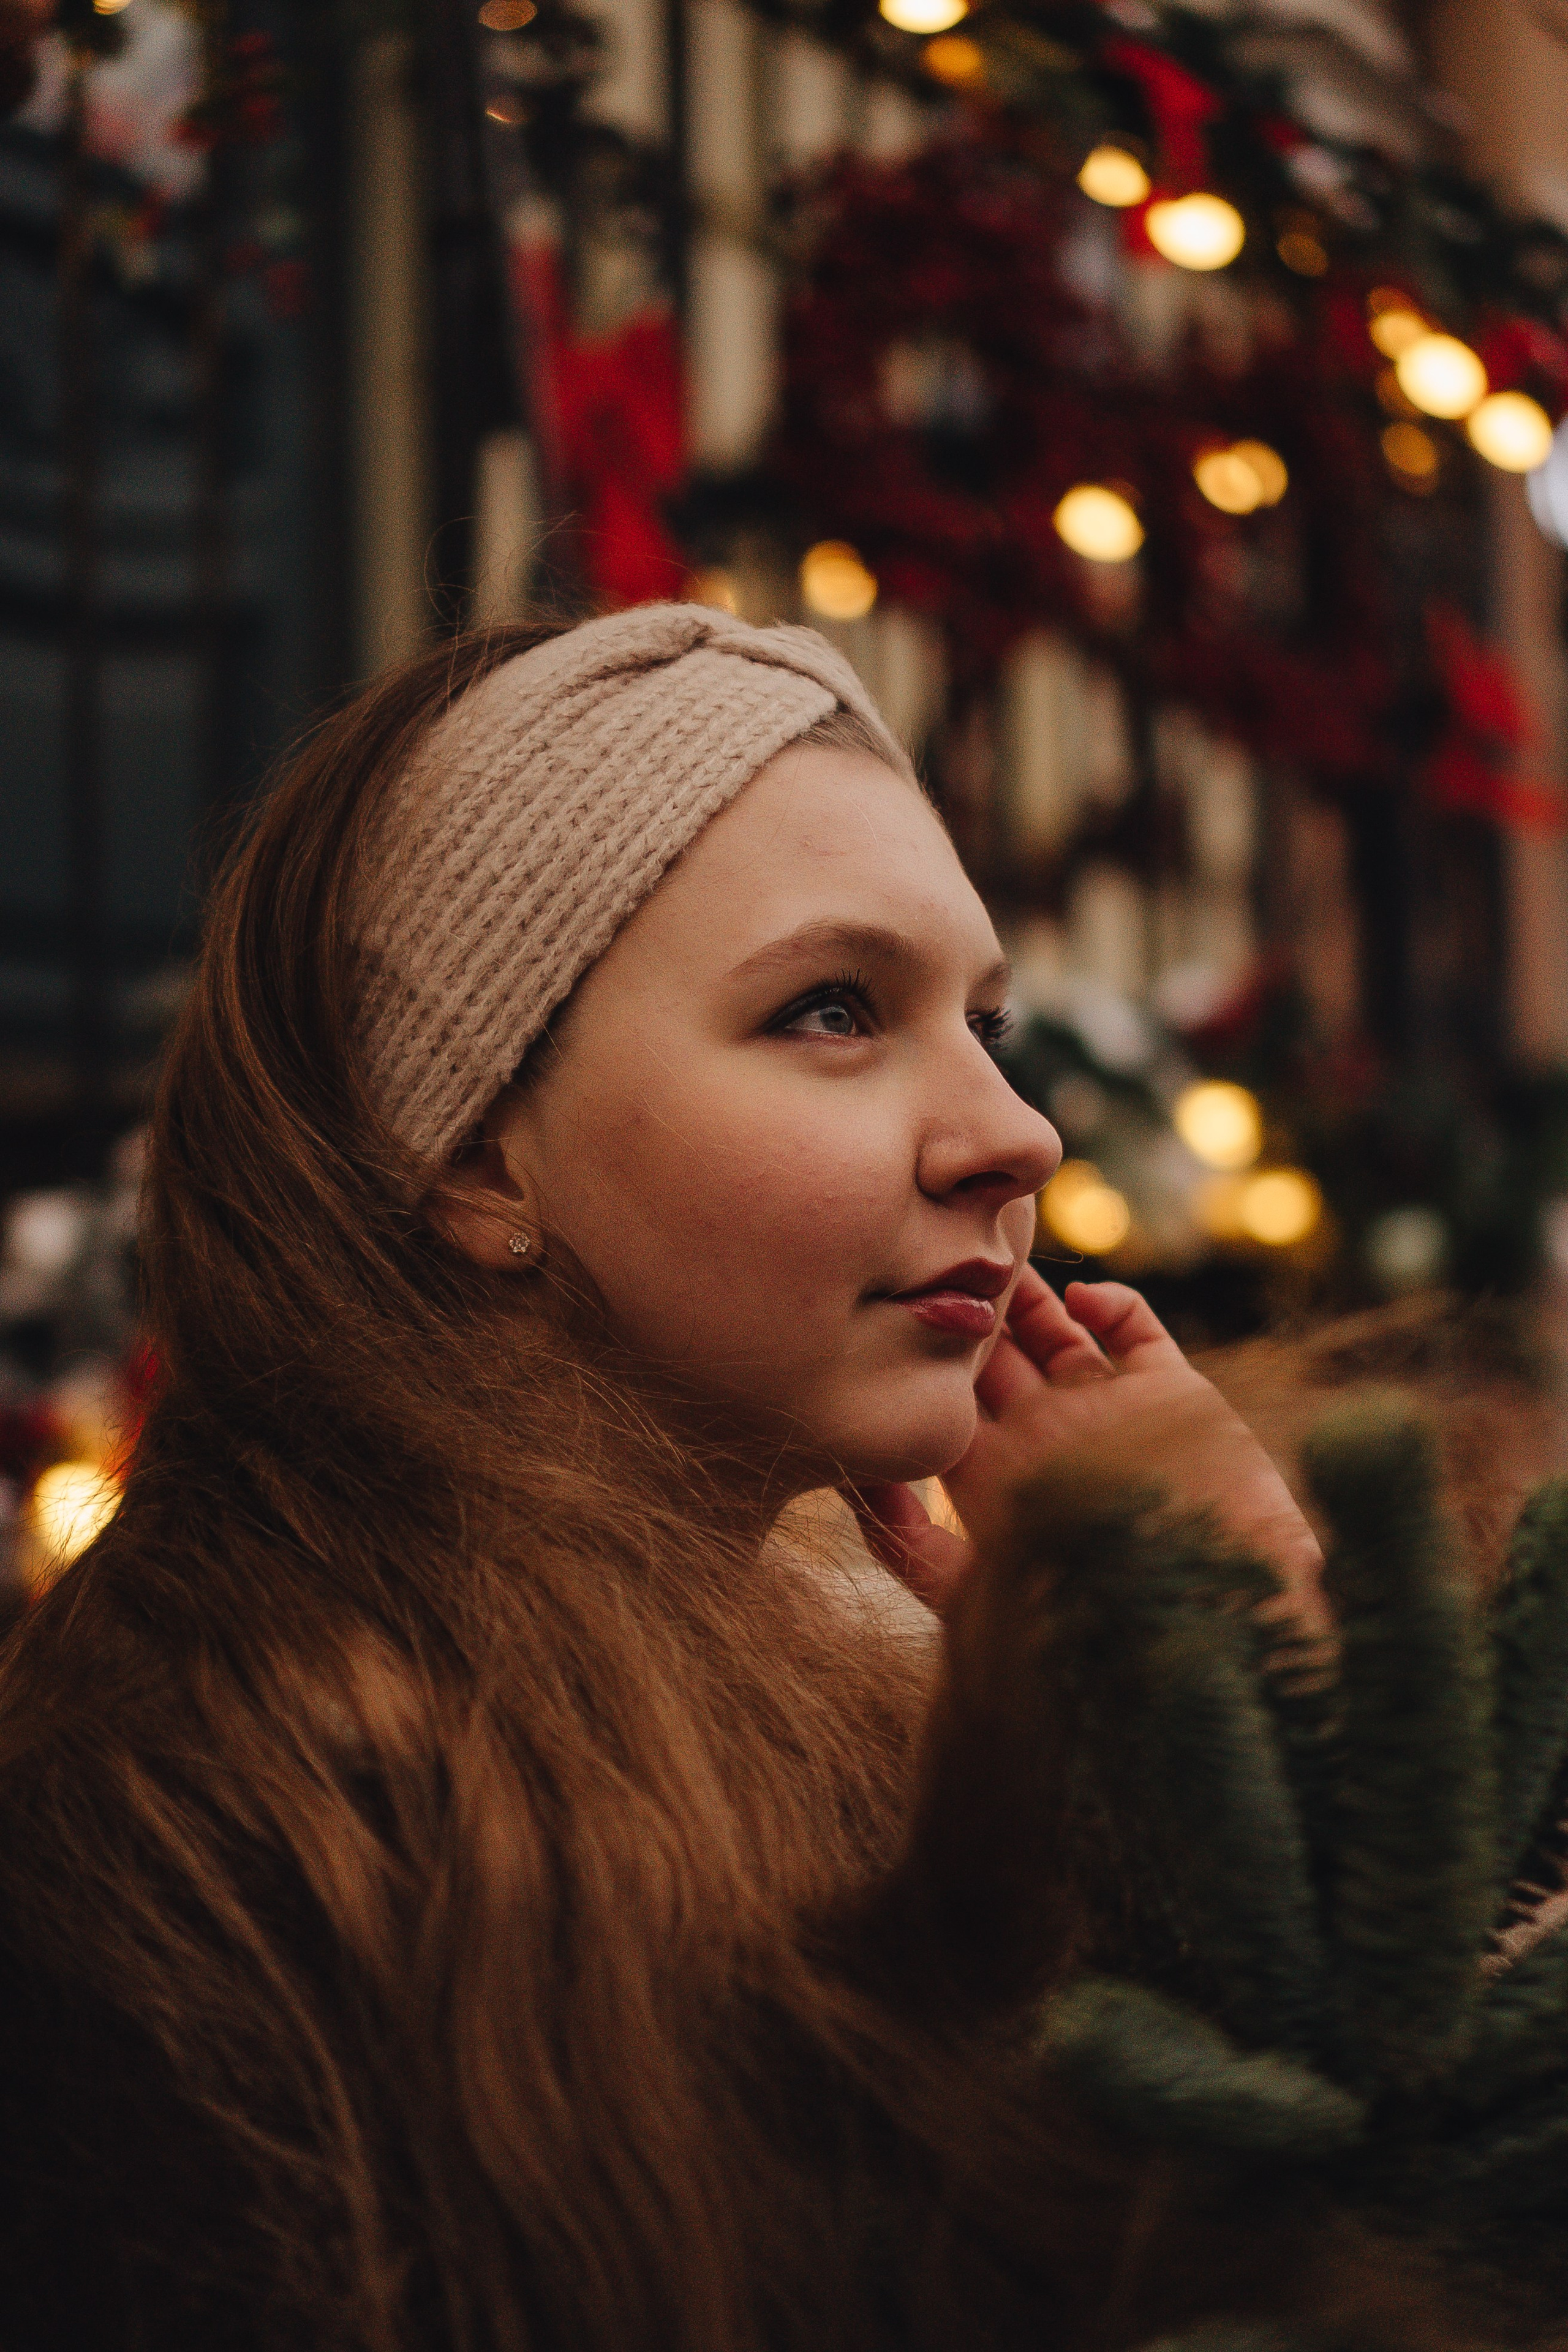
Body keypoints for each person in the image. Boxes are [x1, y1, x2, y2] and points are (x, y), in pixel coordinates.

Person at [0, 606, 1403, 2352]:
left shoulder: (858, 1702)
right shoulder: (242, 1858)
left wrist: (1209, 1718)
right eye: (833, 1010)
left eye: (985, 1020)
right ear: (464, 1149)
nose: (1020, 1133)